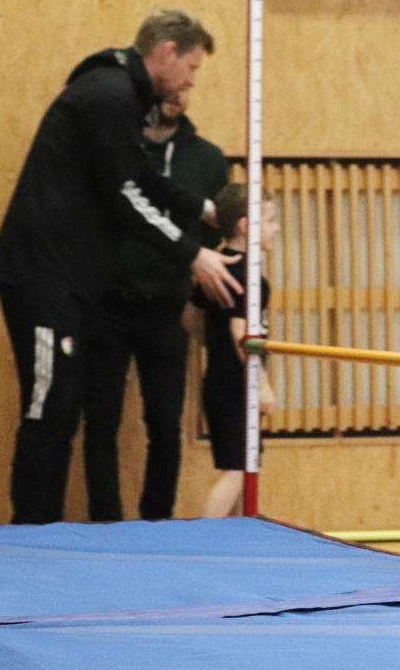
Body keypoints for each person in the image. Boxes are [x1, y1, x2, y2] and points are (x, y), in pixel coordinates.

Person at [0, 8, 243, 525]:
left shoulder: (121, 95)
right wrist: (192, 253)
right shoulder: (110, 94)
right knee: (47, 409)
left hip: (67, 279)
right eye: (192, 67)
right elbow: (124, 196)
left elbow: (139, 173)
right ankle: (29, 533)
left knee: (62, 410)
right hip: (42, 273)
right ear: (166, 53)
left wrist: (203, 209)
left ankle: (45, 529)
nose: (192, 81)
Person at [81, 89, 229, 522]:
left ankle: (157, 522)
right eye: (172, 88)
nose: (179, 96)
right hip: (106, 303)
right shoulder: (120, 150)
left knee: (165, 424)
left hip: (167, 308)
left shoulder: (206, 159)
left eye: (189, 87)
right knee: (100, 422)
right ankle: (105, 523)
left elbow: (211, 238)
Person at [185, 183, 278, 518]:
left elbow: (189, 317)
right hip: (237, 387)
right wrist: (262, 385)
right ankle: (204, 535)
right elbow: (240, 332)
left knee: (245, 468)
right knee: (238, 472)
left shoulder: (216, 269)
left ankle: (236, 534)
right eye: (270, 220)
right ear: (246, 226)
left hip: (219, 382)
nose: (276, 228)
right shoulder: (251, 278)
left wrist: (215, 345)